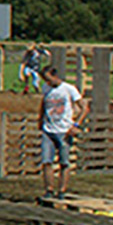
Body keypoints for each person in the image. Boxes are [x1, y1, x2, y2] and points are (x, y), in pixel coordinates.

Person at [38, 64, 85, 200]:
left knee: (64, 162)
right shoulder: (46, 88)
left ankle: (62, 190)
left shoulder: (69, 89)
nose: (47, 82)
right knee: (46, 161)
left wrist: (76, 125)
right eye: (45, 80)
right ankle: (49, 189)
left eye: (48, 79)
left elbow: (84, 107)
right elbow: (43, 104)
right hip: (48, 129)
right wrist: (40, 119)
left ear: (55, 76)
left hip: (64, 130)